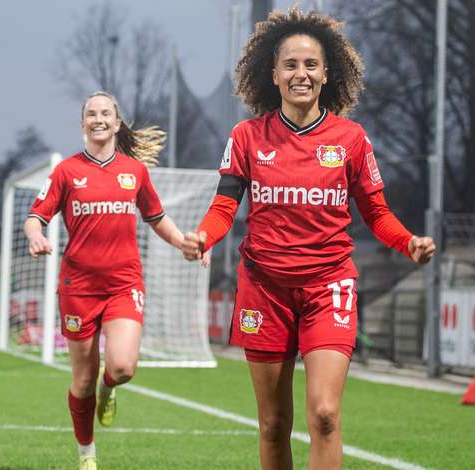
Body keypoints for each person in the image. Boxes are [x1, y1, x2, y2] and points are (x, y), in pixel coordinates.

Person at [180, 9, 436, 470]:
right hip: (264, 289)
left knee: (324, 415)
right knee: (273, 425)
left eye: (311, 64)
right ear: (273, 74)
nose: (302, 73)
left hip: (328, 287)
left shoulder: (351, 139)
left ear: (327, 72)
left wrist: (408, 243)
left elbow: (376, 214)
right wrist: (204, 236)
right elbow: (224, 207)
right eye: (291, 65)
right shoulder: (246, 137)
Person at [25, 91, 198, 470]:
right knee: (81, 381)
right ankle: (87, 453)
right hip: (78, 288)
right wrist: (35, 234)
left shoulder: (135, 172)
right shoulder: (66, 172)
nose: (98, 119)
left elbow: (156, 218)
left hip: (124, 285)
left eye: (106, 113)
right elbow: (36, 215)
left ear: (117, 124)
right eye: (91, 113)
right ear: (83, 124)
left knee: (121, 368)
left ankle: (110, 389)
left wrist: (183, 241)